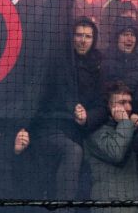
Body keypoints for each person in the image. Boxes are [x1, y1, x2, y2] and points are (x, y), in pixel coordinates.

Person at [31, 17, 107, 200]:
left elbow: (102, 106)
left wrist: (87, 117)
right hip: (50, 127)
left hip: (79, 132)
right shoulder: (56, 62)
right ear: (70, 37)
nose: (83, 40)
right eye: (78, 35)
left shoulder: (98, 66)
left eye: (88, 36)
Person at [84, 82, 138, 213]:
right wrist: (125, 123)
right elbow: (116, 153)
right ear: (109, 106)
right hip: (109, 205)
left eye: (130, 102)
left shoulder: (128, 127)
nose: (128, 107)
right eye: (122, 102)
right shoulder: (95, 131)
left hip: (135, 203)